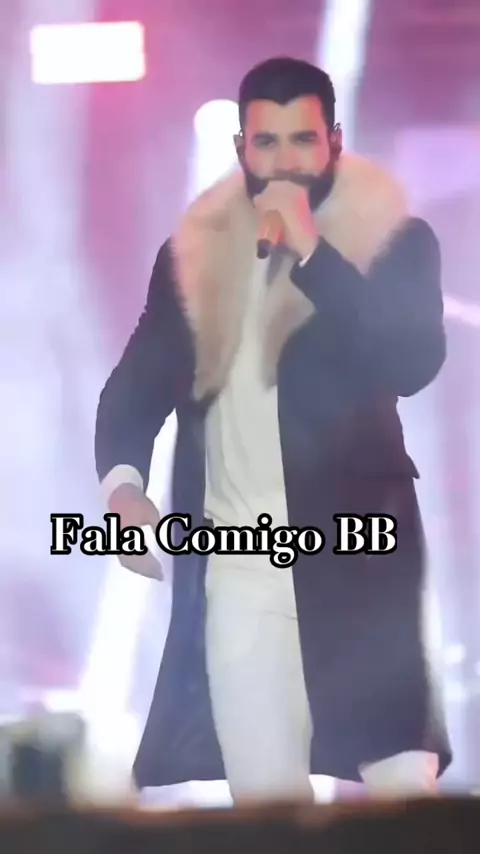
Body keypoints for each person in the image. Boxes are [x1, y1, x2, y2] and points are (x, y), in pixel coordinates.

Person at [94, 56, 452, 802]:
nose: (285, 161)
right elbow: (133, 390)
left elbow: (412, 360)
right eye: (266, 142)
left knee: (404, 796)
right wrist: (124, 491)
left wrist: (314, 253)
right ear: (240, 149)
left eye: (302, 140)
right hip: (239, 573)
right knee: (266, 810)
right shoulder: (193, 259)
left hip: (360, 568)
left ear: (335, 141)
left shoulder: (393, 241)